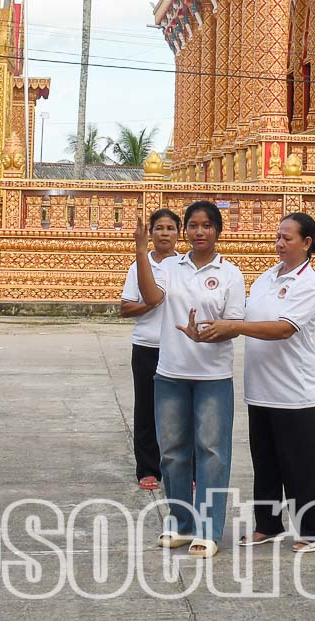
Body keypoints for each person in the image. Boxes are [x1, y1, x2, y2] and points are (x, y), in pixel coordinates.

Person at [190, 212, 315, 553]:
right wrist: (212, 329)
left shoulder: (309, 283)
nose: (279, 243)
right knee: (265, 461)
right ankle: (268, 524)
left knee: (301, 464)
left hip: (292, 388)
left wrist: (234, 328)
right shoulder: (268, 276)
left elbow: (283, 328)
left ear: (307, 243)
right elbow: (244, 317)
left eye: (288, 238)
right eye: (278, 237)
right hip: (260, 387)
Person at [131, 200, 245, 559]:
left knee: (211, 453)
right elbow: (151, 298)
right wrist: (139, 250)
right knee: (173, 455)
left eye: (206, 226)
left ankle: (209, 529)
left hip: (212, 376)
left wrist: (206, 335)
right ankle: (181, 524)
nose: (199, 232)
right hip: (170, 374)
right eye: (193, 226)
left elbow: (234, 325)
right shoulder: (170, 267)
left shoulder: (231, 273)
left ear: (217, 231)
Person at [120, 208, 181, 491]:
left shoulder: (185, 266)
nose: (164, 233)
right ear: (151, 233)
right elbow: (125, 308)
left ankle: (182, 469)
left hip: (178, 345)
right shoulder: (139, 265)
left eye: (170, 228)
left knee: (180, 410)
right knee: (146, 409)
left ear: (179, 234)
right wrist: (152, 301)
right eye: (159, 228)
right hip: (146, 345)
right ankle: (148, 469)